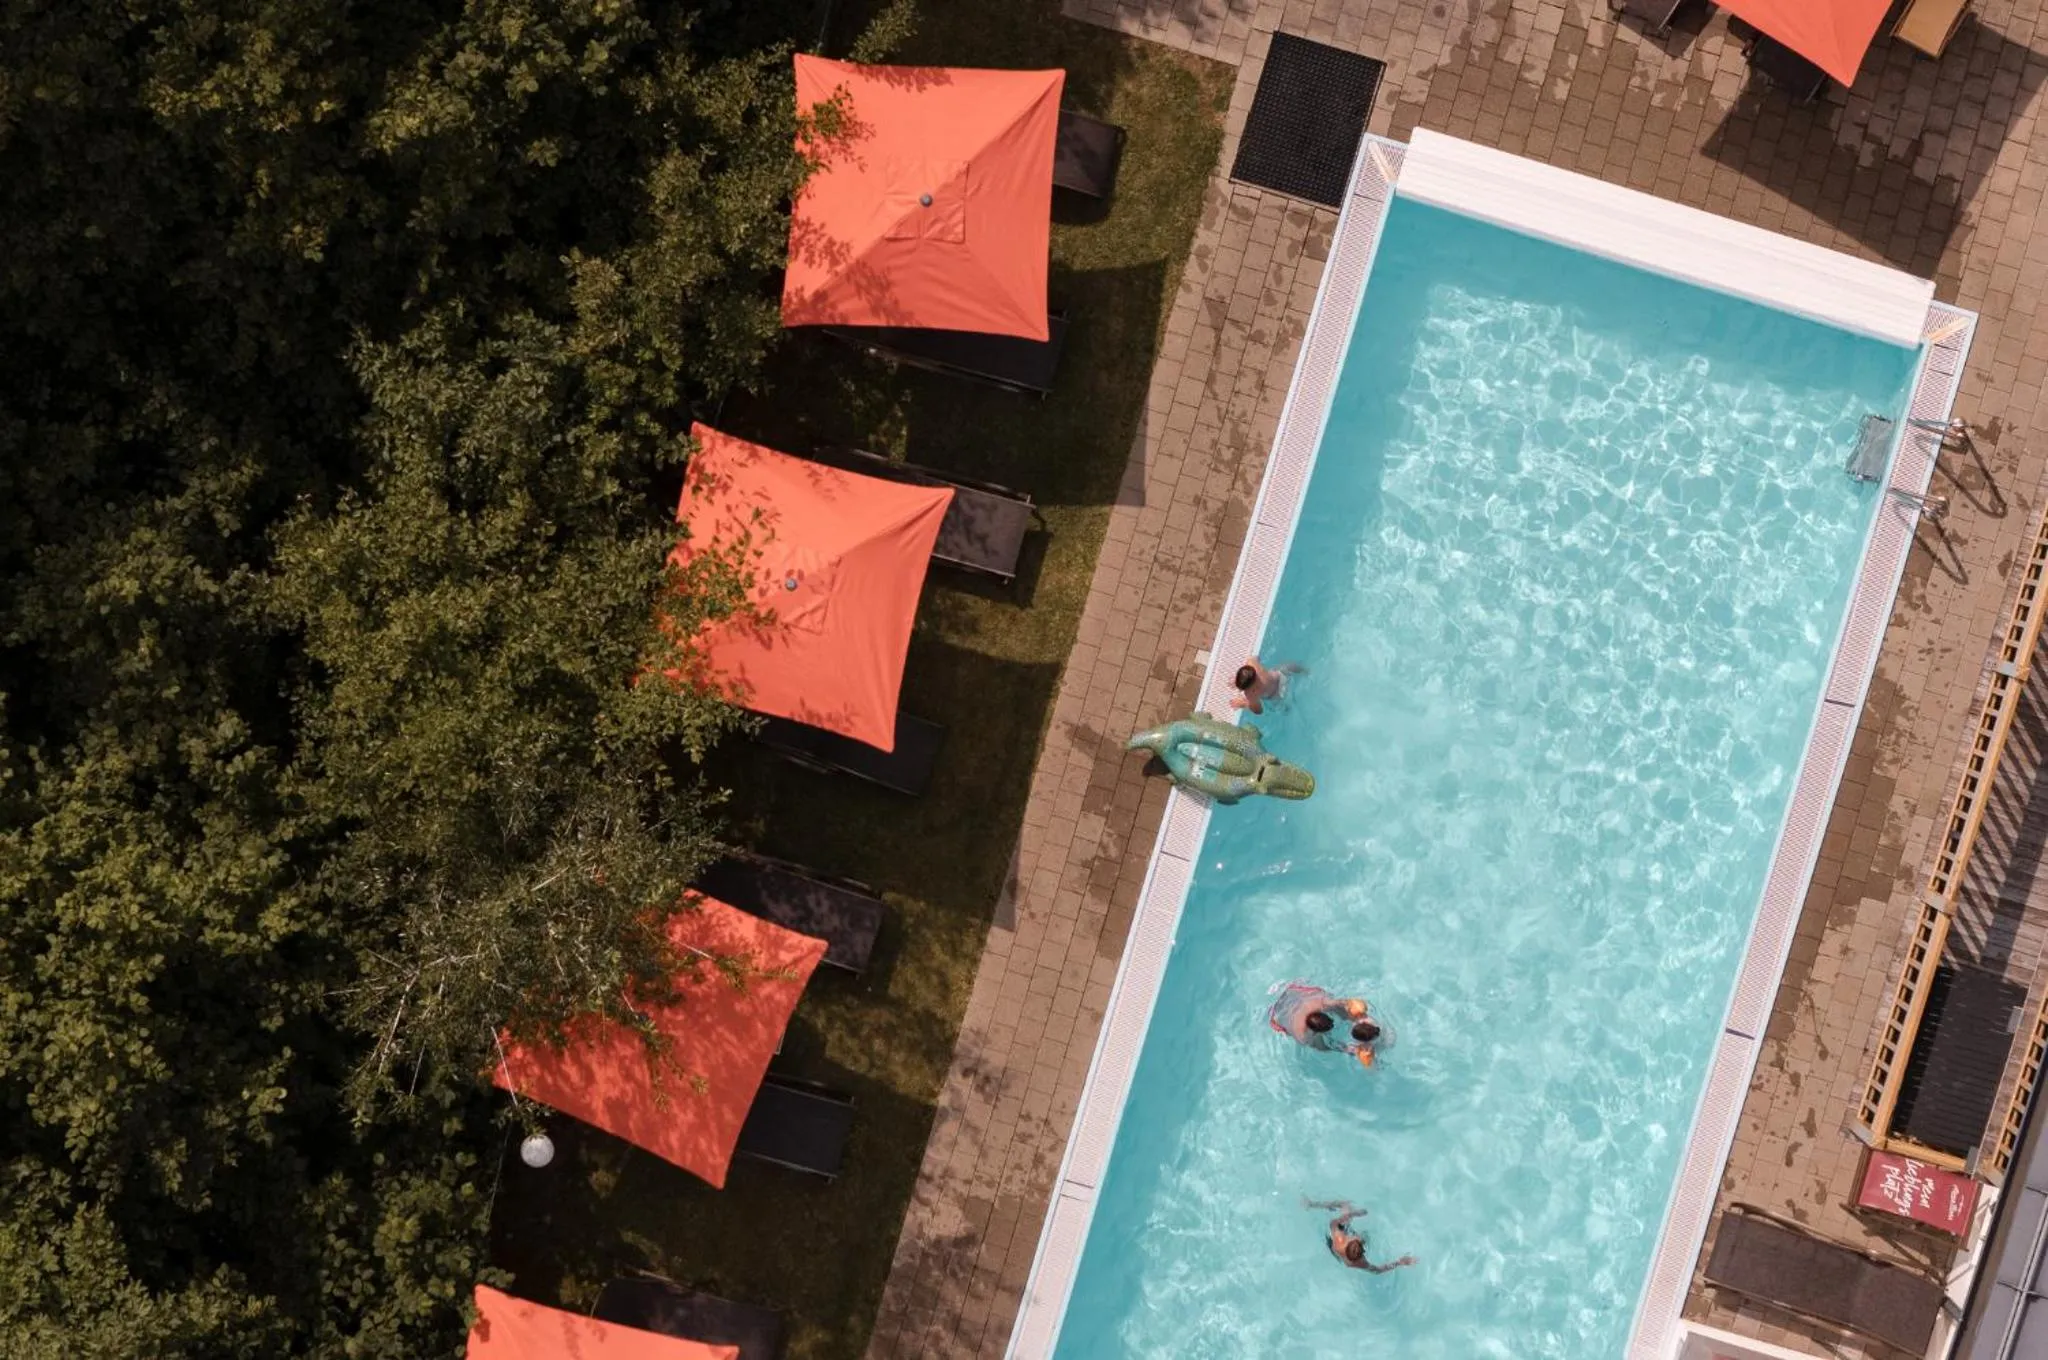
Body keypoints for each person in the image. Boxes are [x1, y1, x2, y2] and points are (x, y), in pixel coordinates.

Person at [1305, 1198, 1416, 1274]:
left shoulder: (1340, 1239)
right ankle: (1312, 1204)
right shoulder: (1360, 1263)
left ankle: (1311, 1204)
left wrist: (1351, 1215)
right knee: (1363, 1232)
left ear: (1348, 1240)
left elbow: (1333, 1223)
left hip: (1334, 1246)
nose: (1356, 1238)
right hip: (1339, 1254)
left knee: (1344, 1204)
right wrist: (1399, 1262)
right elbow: (1377, 1270)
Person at [1229, 656, 1303, 715]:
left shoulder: (1251, 693)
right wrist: (1241, 678)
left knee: (1286, 709)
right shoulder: (1253, 664)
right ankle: (1306, 671)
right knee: (1292, 667)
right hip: (1281, 674)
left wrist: (1244, 704)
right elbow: (1256, 657)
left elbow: (1258, 711)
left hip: (1278, 695)